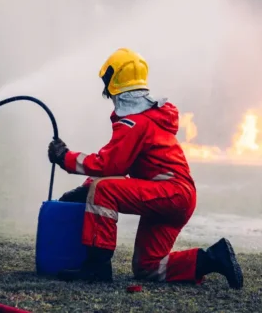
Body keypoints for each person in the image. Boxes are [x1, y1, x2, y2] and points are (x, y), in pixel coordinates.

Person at [47, 48, 244, 289]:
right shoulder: (147, 117)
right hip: (175, 196)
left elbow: (109, 165)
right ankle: (213, 258)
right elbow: (120, 167)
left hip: (169, 193)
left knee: (103, 189)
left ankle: (96, 267)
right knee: (148, 267)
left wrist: (65, 157)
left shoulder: (134, 121)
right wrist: (84, 189)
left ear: (113, 83)